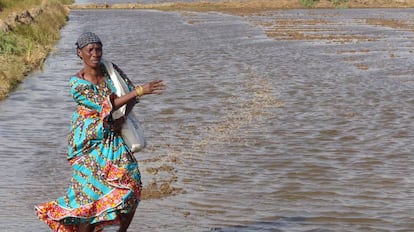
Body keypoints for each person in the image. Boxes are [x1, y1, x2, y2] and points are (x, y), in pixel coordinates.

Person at [35, 32, 166, 232]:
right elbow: (107, 104)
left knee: (133, 183)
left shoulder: (111, 71)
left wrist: (122, 117)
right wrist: (140, 90)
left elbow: (128, 96)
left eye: (98, 49)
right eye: (90, 50)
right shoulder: (77, 84)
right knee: (90, 198)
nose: (95, 53)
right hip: (88, 143)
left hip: (113, 138)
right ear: (80, 53)